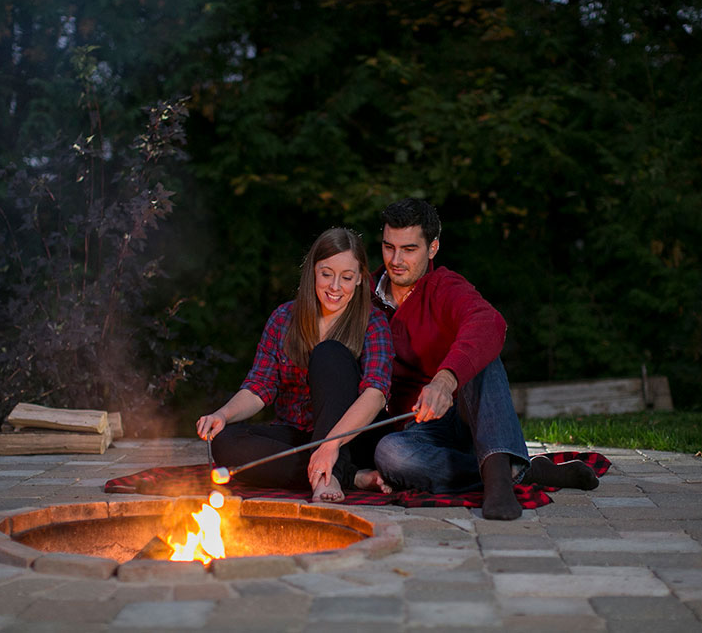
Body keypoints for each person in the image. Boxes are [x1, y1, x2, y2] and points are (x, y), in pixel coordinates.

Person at [366, 198, 598, 520]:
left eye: (409, 249)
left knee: (481, 356)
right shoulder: (365, 294)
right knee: (390, 455)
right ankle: (515, 469)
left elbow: (490, 322)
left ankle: (499, 486)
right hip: (420, 430)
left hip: (470, 414)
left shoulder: (444, 286)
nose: (396, 259)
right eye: (388, 247)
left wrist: (446, 379)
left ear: (432, 248)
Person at [196, 227, 394, 503]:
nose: (335, 287)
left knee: (329, 354)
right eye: (326, 274)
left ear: (360, 278)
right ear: (312, 271)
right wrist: (224, 414)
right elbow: (259, 387)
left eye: (346, 277)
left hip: (351, 440)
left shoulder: (372, 323)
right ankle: (349, 477)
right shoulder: (284, 318)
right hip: (299, 437)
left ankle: (333, 470)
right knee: (225, 443)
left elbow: (376, 394)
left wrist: (331, 444)